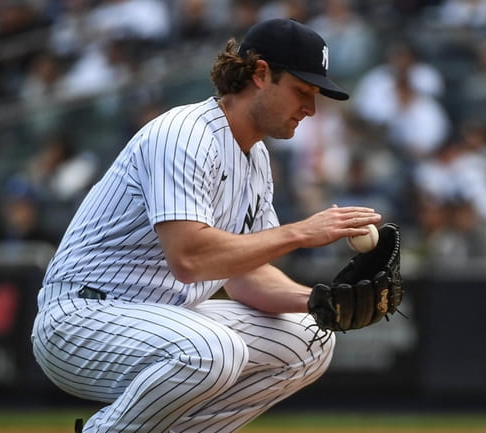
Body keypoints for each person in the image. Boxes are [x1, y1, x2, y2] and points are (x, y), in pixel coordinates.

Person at [31, 18, 382, 433]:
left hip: (163, 322)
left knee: (311, 339)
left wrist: (323, 301)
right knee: (212, 350)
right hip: (82, 318)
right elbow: (190, 257)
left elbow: (245, 278)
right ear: (260, 73)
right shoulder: (184, 134)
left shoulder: (255, 160)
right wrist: (301, 232)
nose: (310, 108)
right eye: (302, 91)